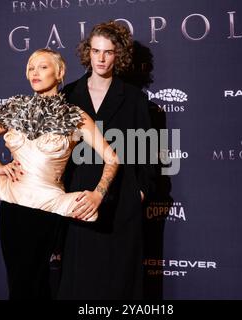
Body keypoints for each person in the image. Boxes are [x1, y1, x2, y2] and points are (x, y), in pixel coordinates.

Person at [0, 48, 119, 299]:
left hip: (46, 211)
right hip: (12, 208)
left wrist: (98, 194)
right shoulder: (14, 108)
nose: (35, 72)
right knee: (18, 282)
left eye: (43, 67)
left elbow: (112, 158)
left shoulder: (74, 116)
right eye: (31, 68)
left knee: (34, 280)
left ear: (59, 73)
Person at [58, 21, 155, 300]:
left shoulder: (134, 98)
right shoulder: (68, 95)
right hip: (78, 197)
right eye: (96, 51)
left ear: (118, 55)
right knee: (81, 279)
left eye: (108, 52)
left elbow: (148, 152)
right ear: (87, 52)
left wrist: (140, 191)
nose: (101, 58)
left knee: (119, 281)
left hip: (121, 197)